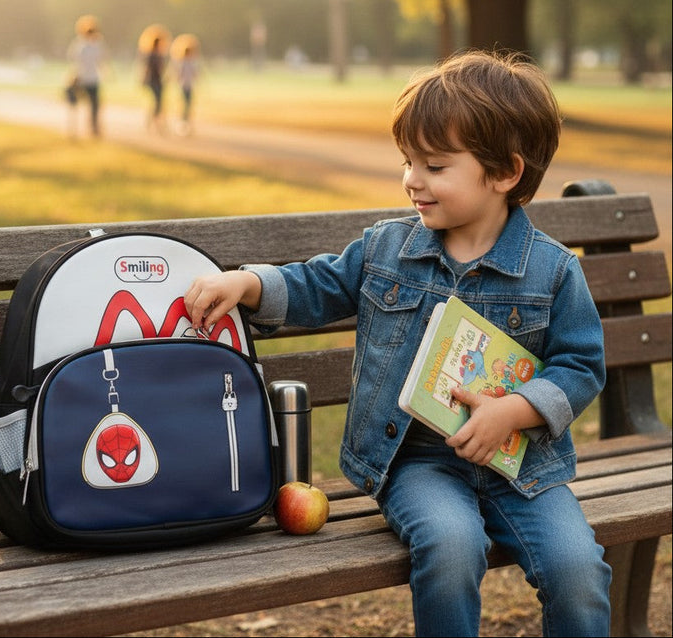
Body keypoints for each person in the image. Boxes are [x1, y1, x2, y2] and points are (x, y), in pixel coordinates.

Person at [183, 49, 612, 637]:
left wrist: (515, 410)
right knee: (452, 546)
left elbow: (581, 365)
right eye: (408, 161)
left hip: (524, 469)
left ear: (505, 174)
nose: (412, 179)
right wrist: (251, 282)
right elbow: (320, 285)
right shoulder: (388, 249)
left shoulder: (553, 272)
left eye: (434, 166)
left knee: (577, 569)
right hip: (417, 465)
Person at [66, 17, 107, 137]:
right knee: (76, 104)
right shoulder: (80, 45)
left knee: (95, 105)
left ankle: (94, 128)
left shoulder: (97, 45)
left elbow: (101, 61)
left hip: (93, 78)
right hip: (82, 78)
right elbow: (75, 61)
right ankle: (74, 128)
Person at [174, 39, 200, 135]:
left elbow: (195, 74)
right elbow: (178, 74)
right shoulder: (182, 63)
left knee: (189, 105)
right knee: (185, 104)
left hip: (190, 86)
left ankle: (188, 122)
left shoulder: (192, 62)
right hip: (183, 86)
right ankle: (183, 122)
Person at [142, 36, 167, 133]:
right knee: (157, 101)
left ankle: (153, 120)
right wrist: (144, 79)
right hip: (152, 80)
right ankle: (154, 121)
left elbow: (161, 69)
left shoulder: (160, 55)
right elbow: (147, 68)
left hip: (159, 81)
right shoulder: (151, 55)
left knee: (159, 102)